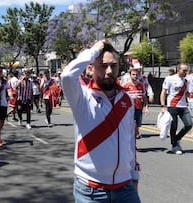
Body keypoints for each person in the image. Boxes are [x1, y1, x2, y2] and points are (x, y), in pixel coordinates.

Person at [61, 40, 140, 202]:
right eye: (103, 65)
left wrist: (134, 174)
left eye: (114, 65)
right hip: (90, 190)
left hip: (125, 187)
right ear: (91, 68)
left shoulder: (126, 99)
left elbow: (130, 140)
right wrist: (94, 50)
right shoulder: (81, 96)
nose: (109, 71)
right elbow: (68, 75)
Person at [160, 63, 192, 155]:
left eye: (187, 70)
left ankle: (177, 139)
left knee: (189, 124)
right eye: (184, 70)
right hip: (172, 105)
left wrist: (188, 95)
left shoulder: (186, 81)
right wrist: (163, 106)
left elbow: (186, 93)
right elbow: (163, 92)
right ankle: (174, 146)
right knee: (174, 126)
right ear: (178, 70)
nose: (186, 72)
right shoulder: (169, 79)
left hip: (183, 106)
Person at [123, 68, 149, 139]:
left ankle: (134, 139)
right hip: (129, 108)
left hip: (139, 107)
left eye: (136, 75)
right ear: (130, 75)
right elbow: (122, 97)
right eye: (133, 74)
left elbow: (144, 96)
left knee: (137, 124)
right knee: (130, 125)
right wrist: (131, 98)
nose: (135, 76)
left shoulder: (141, 85)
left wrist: (146, 107)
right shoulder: (126, 85)